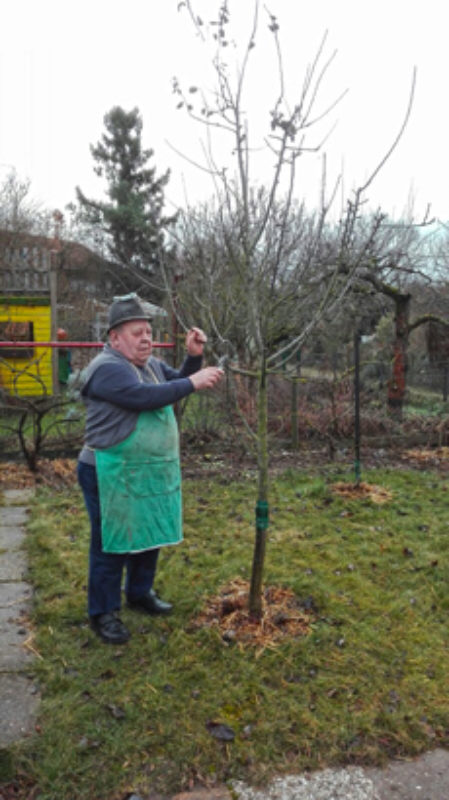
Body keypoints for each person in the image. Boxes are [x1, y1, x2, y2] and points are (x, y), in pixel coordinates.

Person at [77, 293, 224, 644]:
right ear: (114, 338)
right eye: (135, 332)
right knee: (112, 541)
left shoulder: (151, 366)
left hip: (144, 469)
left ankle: (139, 593)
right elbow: (143, 398)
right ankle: (103, 612)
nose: (146, 339)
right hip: (108, 470)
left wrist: (193, 358)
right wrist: (193, 380)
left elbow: (173, 385)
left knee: (147, 534)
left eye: (148, 332)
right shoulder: (106, 369)